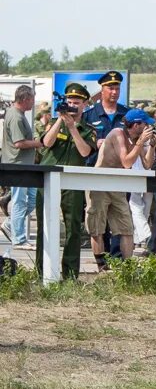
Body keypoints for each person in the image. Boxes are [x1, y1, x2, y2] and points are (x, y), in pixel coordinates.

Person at [34, 83, 96, 280]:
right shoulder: (53, 121)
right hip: (48, 180)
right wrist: (60, 121)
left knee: (73, 227)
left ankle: (70, 273)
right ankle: (42, 270)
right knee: (45, 225)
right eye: (69, 102)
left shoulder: (88, 129)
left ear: (85, 104)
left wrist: (73, 128)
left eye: (76, 103)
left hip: (72, 181)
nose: (72, 106)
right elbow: (47, 143)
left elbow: (85, 152)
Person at [91, 108, 156, 269]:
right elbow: (127, 162)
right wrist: (141, 142)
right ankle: (101, 265)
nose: (148, 128)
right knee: (98, 226)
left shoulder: (136, 139)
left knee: (126, 227)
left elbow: (147, 164)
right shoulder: (118, 134)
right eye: (145, 125)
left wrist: (151, 146)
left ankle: (128, 267)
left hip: (117, 185)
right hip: (99, 182)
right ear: (135, 125)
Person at [1, 85, 44, 250]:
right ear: (25, 99)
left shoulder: (18, 114)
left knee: (32, 200)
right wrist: (40, 143)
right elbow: (19, 143)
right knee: (20, 201)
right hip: (17, 166)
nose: (33, 102)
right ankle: (18, 239)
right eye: (32, 99)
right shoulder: (17, 117)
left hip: (25, 166)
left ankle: (10, 224)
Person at [82, 71, 129, 166]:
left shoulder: (127, 113)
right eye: (111, 89)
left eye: (117, 89)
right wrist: (95, 143)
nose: (114, 92)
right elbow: (80, 139)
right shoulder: (88, 114)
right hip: (94, 167)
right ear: (102, 90)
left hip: (121, 168)